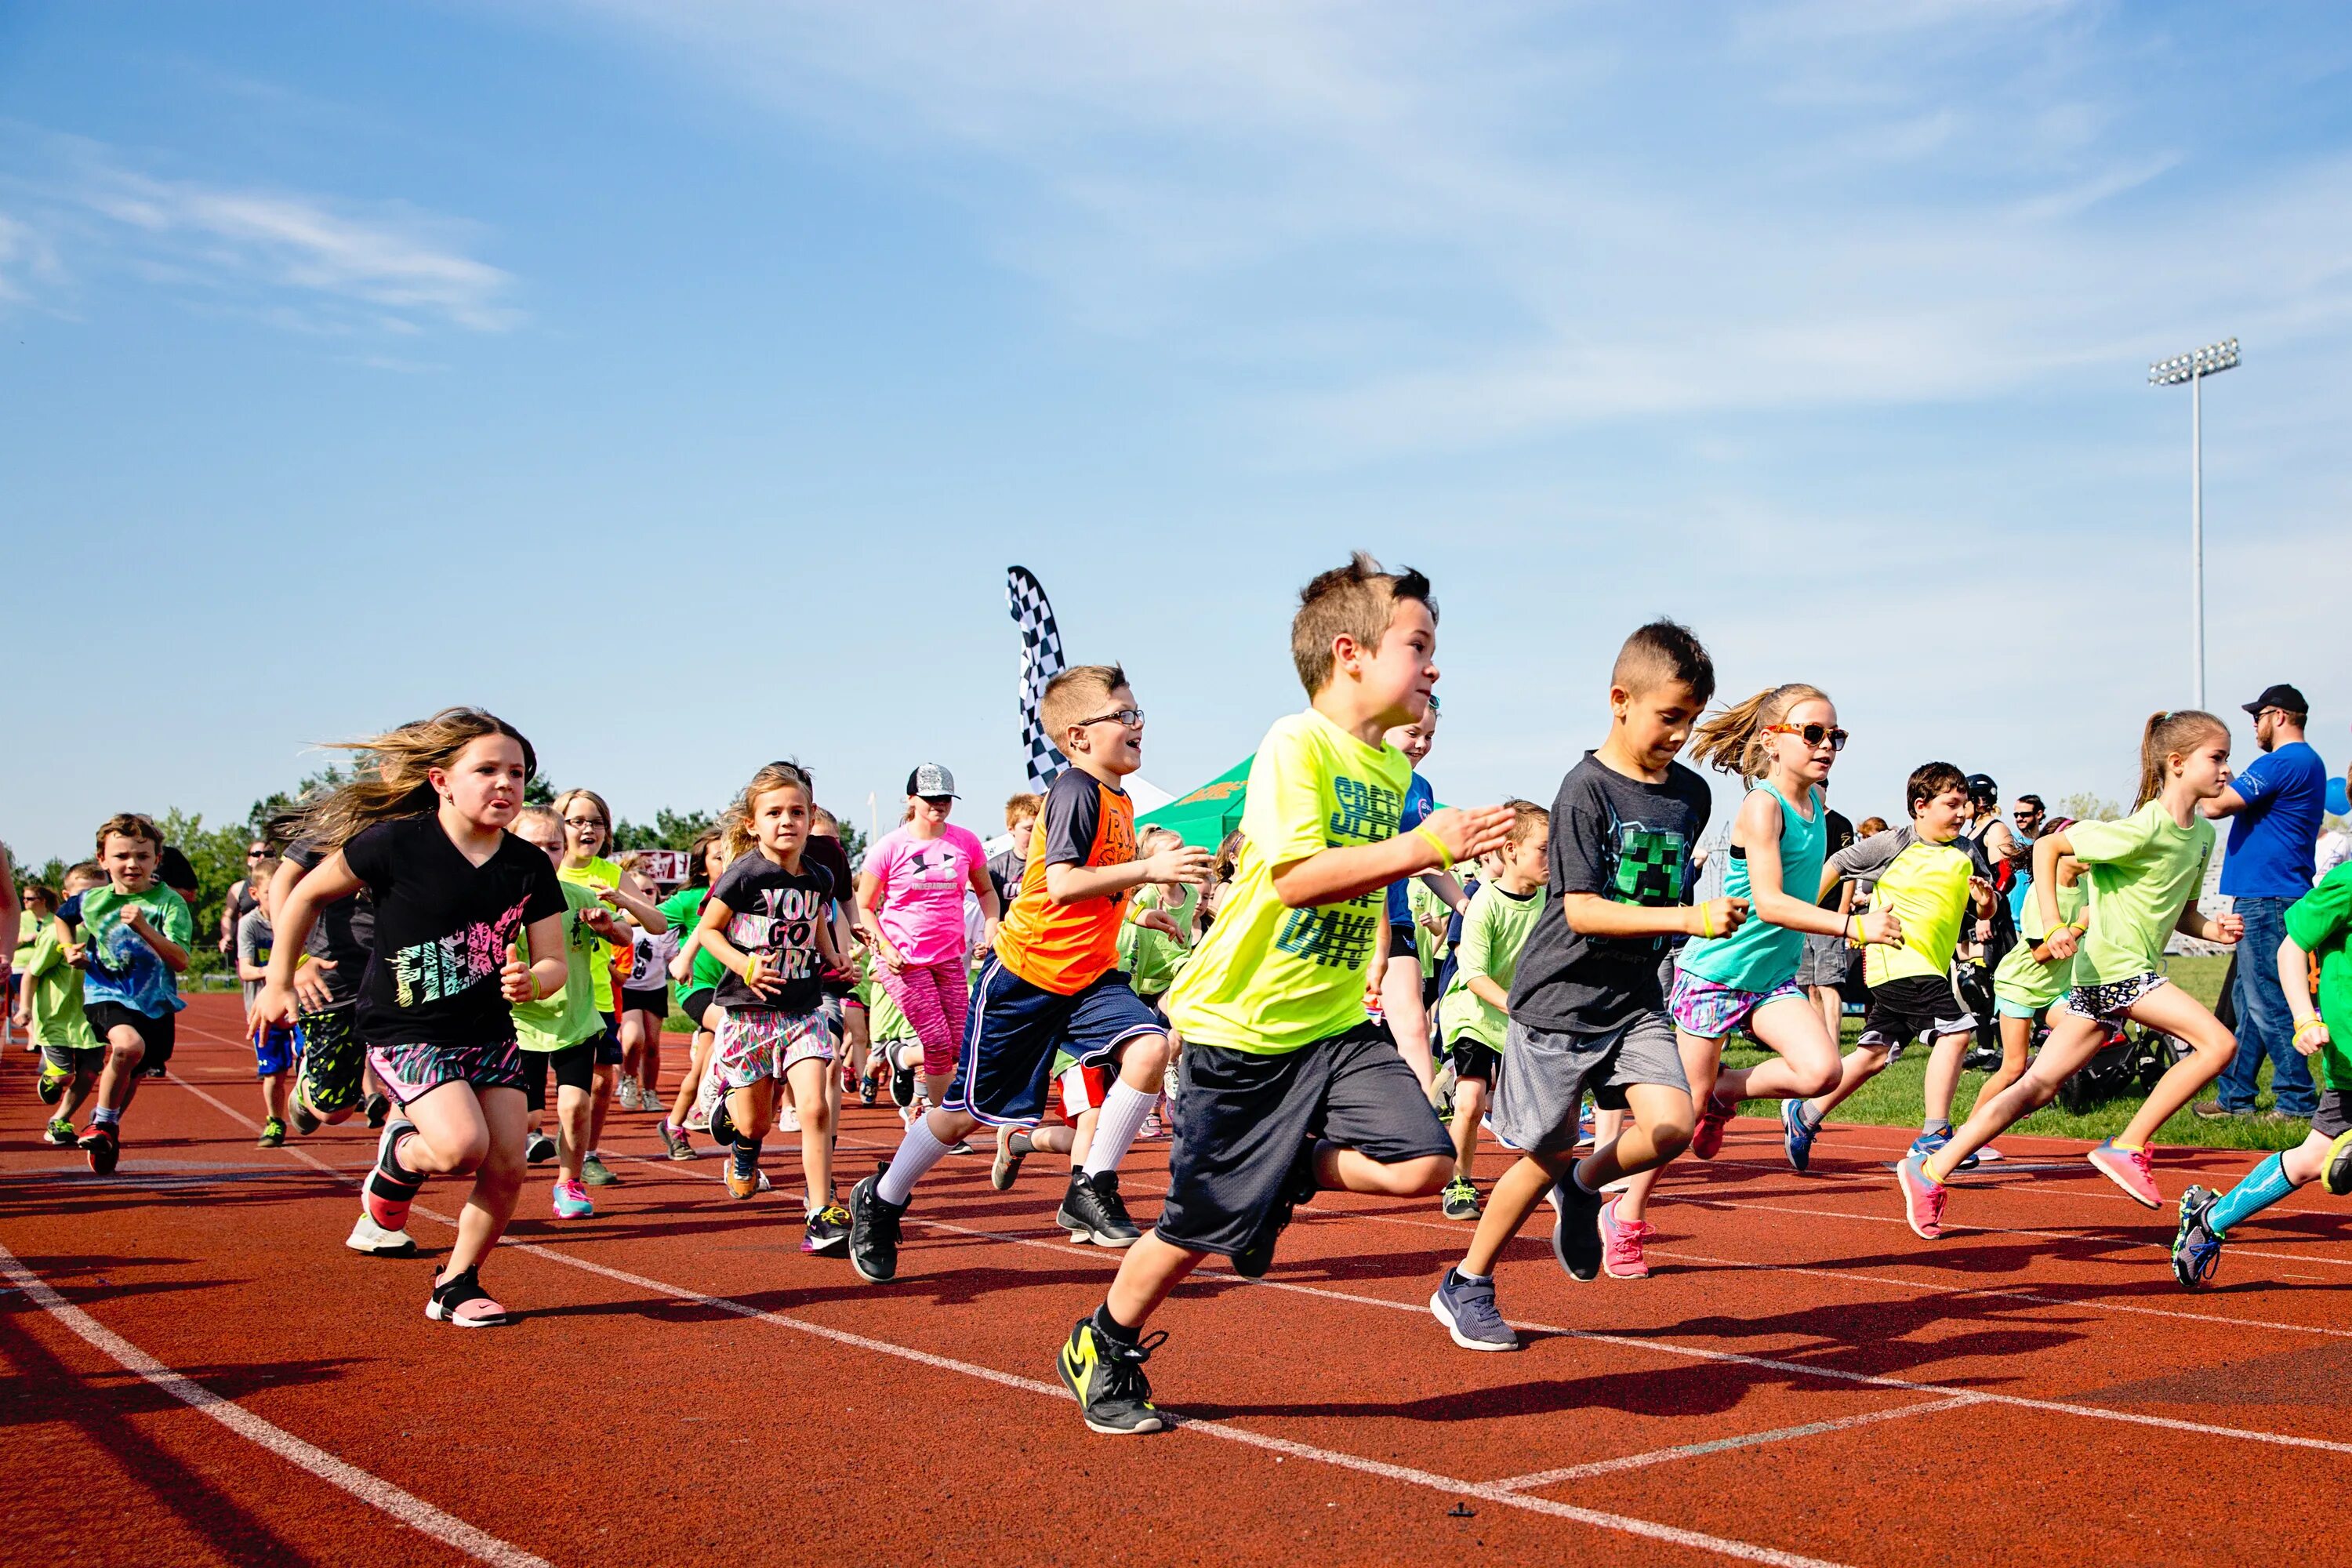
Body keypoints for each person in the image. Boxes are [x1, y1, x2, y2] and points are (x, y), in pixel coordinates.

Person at [1054, 553, 1512, 1434]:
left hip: (1334, 1024)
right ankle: (1103, 1340)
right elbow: (1302, 877)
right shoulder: (1293, 743)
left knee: (1425, 1161)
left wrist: (1382, 942)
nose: (1434, 665)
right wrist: (1430, 844)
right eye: (1419, 644)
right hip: (1243, 1030)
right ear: (1351, 655)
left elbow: (1363, 884)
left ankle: (1285, 1170)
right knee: (1193, 1230)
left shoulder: (1387, 771)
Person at [849, 664, 1213, 1280]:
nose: (1137, 725)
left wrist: (1146, 903)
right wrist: (1148, 873)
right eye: (1123, 716)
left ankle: (1090, 1187)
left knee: (1153, 1047)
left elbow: (1090, 888)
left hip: (1090, 977)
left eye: (1138, 713)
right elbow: (1067, 885)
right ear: (1077, 738)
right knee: (966, 1114)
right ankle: (881, 1200)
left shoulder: (1119, 799)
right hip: (1027, 980)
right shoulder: (1076, 790)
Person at [1432, 622, 1725, 1347]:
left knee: (1671, 1127)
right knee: (1542, 1156)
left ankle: (1586, 1187)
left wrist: (1690, 923)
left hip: (1634, 1001)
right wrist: (1689, 913)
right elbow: (1583, 909)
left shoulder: (1692, 795)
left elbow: (1659, 896)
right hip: (1560, 1003)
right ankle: (1466, 1282)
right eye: (1669, 717)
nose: (1680, 735)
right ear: (1620, 700)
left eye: (1691, 720)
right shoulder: (1584, 791)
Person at [255, 708, 569, 1325]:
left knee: (507, 1164)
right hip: (405, 1029)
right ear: (441, 780)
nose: (505, 784)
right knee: (460, 1150)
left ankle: (455, 1283)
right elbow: (305, 896)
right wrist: (278, 979)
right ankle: (401, 1155)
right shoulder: (396, 843)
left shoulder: (528, 866)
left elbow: (554, 959)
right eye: (487, 770)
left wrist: (534, 979)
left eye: (517, 773)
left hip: (488, 1031)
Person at [1897, 711, 2245, 1236]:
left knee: (2036, 1086)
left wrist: (2212, 930)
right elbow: (2048, 846)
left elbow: (2181, 910)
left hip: (2109, 979)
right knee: (2218, 1046)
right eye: (2216, 757)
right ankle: (2128, 1145)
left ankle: (1930, 1170)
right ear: (2177, 764)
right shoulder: (2144, 826)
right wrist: (2054, 922)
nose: (2226, 768)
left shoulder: (2198, 838)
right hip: (2117, 972)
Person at [1610, 685, 1899, 1273]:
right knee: (1677, 1121)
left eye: (1834, 736)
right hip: (1716, 974)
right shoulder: (1762, 806)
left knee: (1822, 1071)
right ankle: (1625, 1215)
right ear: (1772, 739)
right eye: (1812, 733)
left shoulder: (1817, 805)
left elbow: (1801, 888)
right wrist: (1854, 927)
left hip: (1769, 979)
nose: (1826, 746)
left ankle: (1727, 1089)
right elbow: (1768, 903)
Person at [1782, 763, 1995, 1174]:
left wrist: (1985, 901)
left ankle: (1805, 1115)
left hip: (1929, 964)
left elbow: (1986, 906)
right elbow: (1840, 862)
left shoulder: (1967, 852)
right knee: (1956, 1033)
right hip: (1896, 958)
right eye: (1952, 805)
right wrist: (1806, 913)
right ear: (1921, 806)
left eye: (1965, 806)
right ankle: (1935, 1133)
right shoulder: (1894, 843)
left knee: (1873, 1055)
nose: (1962, 813)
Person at [2172, 810, 2352, 1284]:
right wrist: (2304, 1019)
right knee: (2318, 1159)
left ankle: (2211, 1217)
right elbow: (2290, 949)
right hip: (2350, 1060)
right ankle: (2209, 1222)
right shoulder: (2347, 882)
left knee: (2322, 1159)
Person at [691, 761, 849, 1248]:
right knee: (756, 1121)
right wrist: (745, 966)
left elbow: (818, 922)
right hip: (750, 1013)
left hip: (802, 1011)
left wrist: (834, 960)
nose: (786, 821)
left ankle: (821, 1211)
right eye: (774, 812)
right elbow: (710, 932)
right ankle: (743, 1145)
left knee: (815, 1106)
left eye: (796, 812)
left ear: (811, 816)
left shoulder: (819, 876)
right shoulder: (744, 874)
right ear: (752, 823)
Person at [2197, 684, 2328, 1122]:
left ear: (2279, 716)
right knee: (2248, 997)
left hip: (2267, 894)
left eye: (2258, 717)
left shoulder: (2283, 760)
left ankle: (2296, 1100)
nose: (2254, 725)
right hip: (2269, 892)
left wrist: (2198, 776)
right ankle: (2235, 1095)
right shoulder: (2304, 762)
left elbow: (2216, 807)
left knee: (2267, 1000)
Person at [856, 765, 1002, 1117]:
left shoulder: (965, 841)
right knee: (936, 1042)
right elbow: (864, 906)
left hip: (949, 958)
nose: (938, 805)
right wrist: (885, 947)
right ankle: (941, 1123)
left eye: (945, 799)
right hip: (903, 959)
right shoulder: (889, 847)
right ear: (911, 799)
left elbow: (986, 892)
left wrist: (992, 925)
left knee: (957, 1046)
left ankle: (899, 1057)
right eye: (930, 798)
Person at [510, 806, 633, 1219]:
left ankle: (570, 1181)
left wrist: (610, 928)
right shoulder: (496, 901)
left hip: (576, 1020)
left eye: (554, 847)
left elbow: (627, 932)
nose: (546, 855)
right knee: (527, 1117)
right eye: (534, 846)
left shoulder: (579, 897)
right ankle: (505, 1169)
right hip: (519, 1023)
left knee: (575, 1107)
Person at [56, 812, 194, 1174]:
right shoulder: (91, 900)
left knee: (133, 1072)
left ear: (156, 860)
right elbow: (62, 917)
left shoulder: (169, 903)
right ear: (103, 859)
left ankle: (107, 1126)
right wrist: (67, 949)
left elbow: (180, 961)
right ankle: (102, 1122)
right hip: (106, 992)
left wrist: (145, 927)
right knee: (127, 1047)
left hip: (155, 1002)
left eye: (142, 856)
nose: (132, 864)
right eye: (121, 856)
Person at [1432, 800, 1551, 1221]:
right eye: (1543, 849)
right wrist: (1515, 1004)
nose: (1551, 858)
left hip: (1519, 1017)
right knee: (1471, 1100)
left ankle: (1545, 1177)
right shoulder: (1484, 903)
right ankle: (1459, 1180)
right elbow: (1475, 974)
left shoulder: (1550, 902)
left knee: (1539, 1107)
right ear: (1511, 849)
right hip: (1474, 1012)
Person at [553, 789, 670, 1186]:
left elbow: (657, 925)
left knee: (602, 1081)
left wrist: (625, 902)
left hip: (595, 994)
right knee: (531, 1087)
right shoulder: (544, 867)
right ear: (559, 825)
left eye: (597, 822)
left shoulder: (609, 873)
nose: (589, 829)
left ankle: (587, 1154)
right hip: (540, 997)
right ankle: (532, 1135)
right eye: (578, 821)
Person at [1368, 702, 1469, 1098]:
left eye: (1429, 737)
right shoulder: (1353, 777)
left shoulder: (1421, 789)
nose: (1422, 745)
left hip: (1394, 920)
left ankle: (1425, 1120)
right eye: (1413, 733)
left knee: (1412, 1021)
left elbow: (1430, 862)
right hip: (1340, 924)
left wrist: (1465, 906)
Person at [1980, 816, 2082, 1116]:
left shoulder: (2087, 888)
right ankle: (1967, 1134)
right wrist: (2080, 925)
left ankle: (2033, 1076)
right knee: (2011, 1068)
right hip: (2020, 985)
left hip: (2055, 989)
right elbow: (2039, 953)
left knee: (2085, 1036)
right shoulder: (2041, 896)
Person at [19, 865, 104, 1145]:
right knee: (64, 1074)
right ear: (68, 897)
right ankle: (51, 1079)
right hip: (57, 1019)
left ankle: (60, 1120)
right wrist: (25, 1009)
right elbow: (33, 972)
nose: (92, 900)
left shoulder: (111, 932)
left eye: (99, 893)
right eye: (84, 895)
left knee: (90, 1071)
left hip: (93, 1018)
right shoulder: (56, 933)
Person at [658, 830, 728, 1157]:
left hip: (732, 992)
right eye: (719, 856)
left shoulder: (743, 892)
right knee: (733, 1025)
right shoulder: (691, 900)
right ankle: (707, 1104)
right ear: (703, 868)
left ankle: (674, 1124)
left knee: (701, 1067)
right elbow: (650, 917)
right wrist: (618, 905)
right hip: (697, 989)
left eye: (732, 854)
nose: (728, 861)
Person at [234, 858, 299, 1148]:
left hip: (298, 1006)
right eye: (273, 891)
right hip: (263, 1012)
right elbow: (246, 971)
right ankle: (275, 1120)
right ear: (255, 894)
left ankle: (308, 1097)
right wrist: (275, 971)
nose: (282, 896)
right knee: (274, 1074)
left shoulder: (299, 916)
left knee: (307, 1056)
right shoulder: (249, 925)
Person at [613, 854, 673, 1116]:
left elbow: (673, 955)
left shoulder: (661, 924)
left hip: (655, 989)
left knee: (652, 1046)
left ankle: (650, 1092)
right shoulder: (618, 923)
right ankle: (628, 1079)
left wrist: (684, 965)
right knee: (632, 1038)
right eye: (638, 892)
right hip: (628, 989)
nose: (645, 896)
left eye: (649, 891)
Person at [989, 793, 1043, 908]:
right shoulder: (994, 868)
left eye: (1042, 828)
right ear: (1011, 828)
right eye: (1029, 829)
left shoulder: (1057, 864)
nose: (1036, 834)